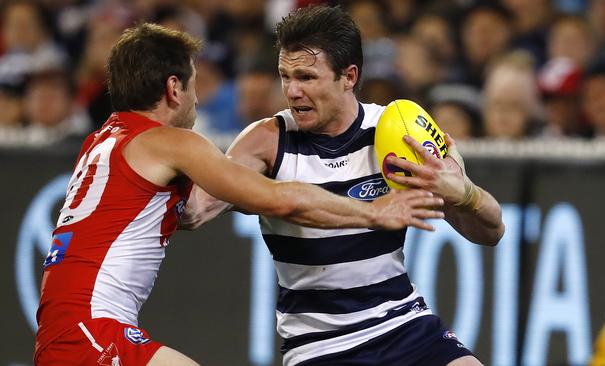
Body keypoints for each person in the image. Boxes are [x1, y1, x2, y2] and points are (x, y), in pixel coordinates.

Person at [34, 23, 443, 366]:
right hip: (94, 328)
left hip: (63, 329)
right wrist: (373, 213)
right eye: (195, 83)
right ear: (174, 87)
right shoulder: (173, 143)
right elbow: (280, 200)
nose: (199, 97)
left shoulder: (102, 140)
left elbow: (192, 212)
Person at [186, 5, 505, 366]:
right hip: (320, 346)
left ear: (348, 76)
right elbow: (196, 210)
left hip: (405, 326)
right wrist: (171, 152)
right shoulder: (267, 142)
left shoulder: (399, 131)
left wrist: (462, 193)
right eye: (285, 76)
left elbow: (492, 231)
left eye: (306, 77)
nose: (291, 91)